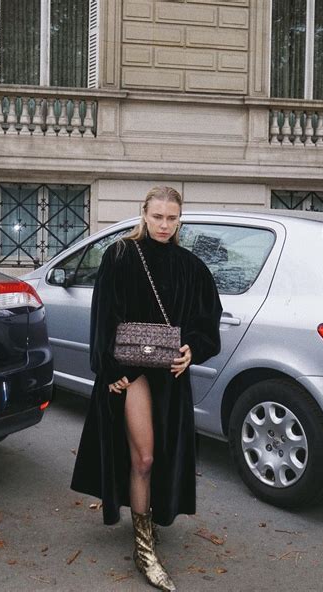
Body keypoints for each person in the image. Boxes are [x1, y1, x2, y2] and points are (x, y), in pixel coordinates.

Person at [71, 186, 222, 591]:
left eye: (172, 218)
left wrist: (194, 347)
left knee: (166, 454)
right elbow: (104, 314)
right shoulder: (121, 255)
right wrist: (110, 367)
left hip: (170, 373)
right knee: (145, 457)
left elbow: (207, 319)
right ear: (144, 213)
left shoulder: (190, 266)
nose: (164, 225)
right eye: (157, 216)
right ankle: (143, 546)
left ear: (180, 218)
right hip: (132, 370)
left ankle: (149, 519)